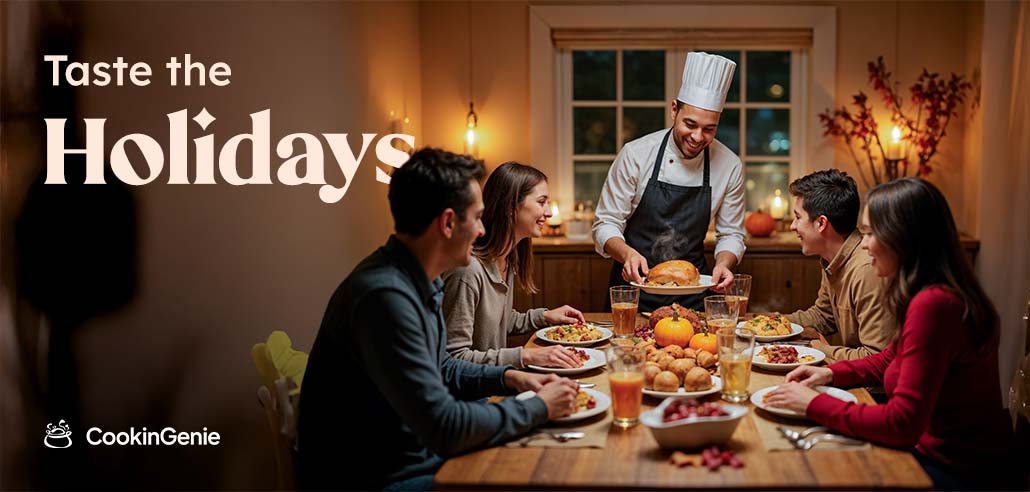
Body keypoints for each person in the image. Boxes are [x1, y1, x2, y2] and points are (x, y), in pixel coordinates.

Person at [298, 148, 580, 491]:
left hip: (414, 456)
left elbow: (444, 366)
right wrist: (538, 408)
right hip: (379, 476)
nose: (481, 230)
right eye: (477, 218)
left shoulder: (420, 278)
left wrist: (510, 378)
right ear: (447, 223)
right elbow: (445, 426)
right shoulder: (385, 297)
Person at [764, 178, 1018, 490]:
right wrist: (827, 375)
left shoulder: (935, 305)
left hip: (955, 471)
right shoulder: (929, 293)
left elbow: (901, 425)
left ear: (903, 238)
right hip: (934, 454)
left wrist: (812, 404)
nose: (865, 243)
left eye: (871, 233)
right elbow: (889, 358)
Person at [593, 51, 746, 311]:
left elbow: (731, 234)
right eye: (690, 124)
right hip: (632, 292)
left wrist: (723, 264)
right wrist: (627, 254)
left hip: (696, 296)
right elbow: (605, 224)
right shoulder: (636, 154)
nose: (698, 137)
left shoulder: (729, 165)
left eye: (709, 128)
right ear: (674, 110)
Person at [443, 162, 586, 369]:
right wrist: (526, 356)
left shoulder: (507, 258)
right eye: (541, 202)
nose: (549, 213)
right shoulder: (468, 271)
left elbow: (495, 323)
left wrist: (544, 316)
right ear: (511, 207)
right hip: (479, 396)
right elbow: (454, 358)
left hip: (497, 382)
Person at [784, 169, 895, 362]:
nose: (793, 226)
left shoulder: (867, 270)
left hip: (872, 390)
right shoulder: (832, 258)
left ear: (821, 223)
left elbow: (876, 357)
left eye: (798, 217)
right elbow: (823, 316)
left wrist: (819, 349)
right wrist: (773, 322)